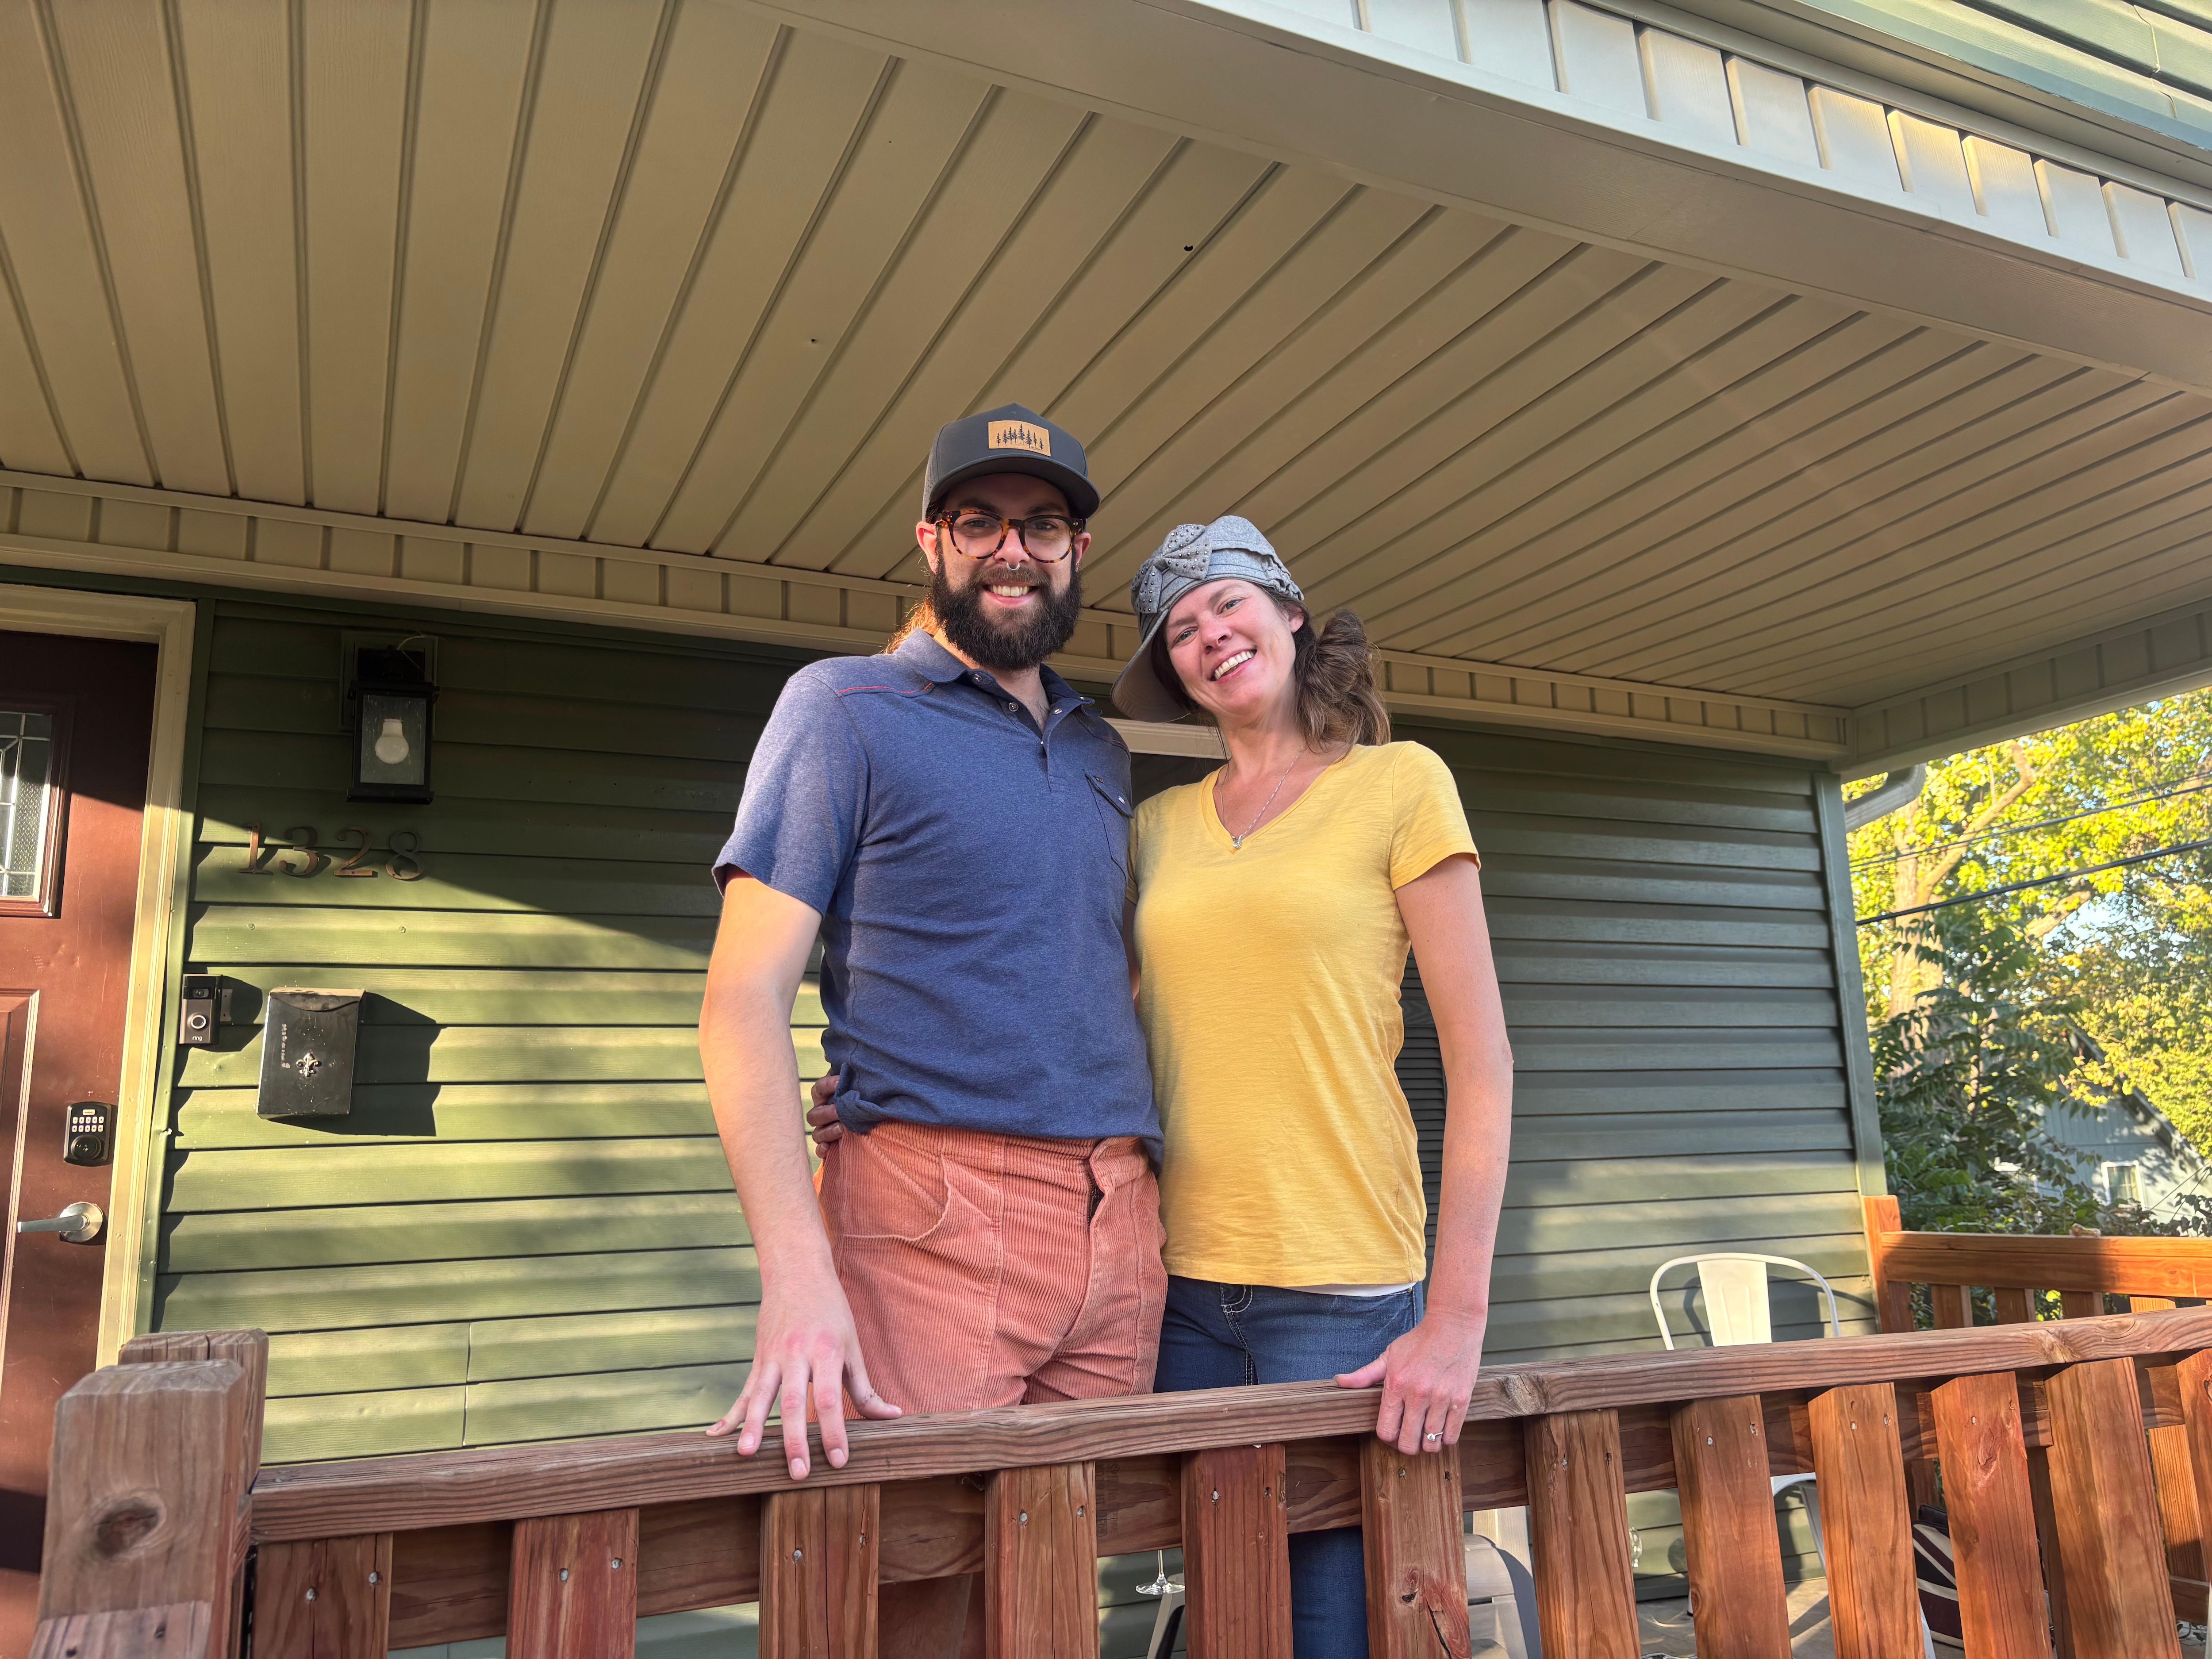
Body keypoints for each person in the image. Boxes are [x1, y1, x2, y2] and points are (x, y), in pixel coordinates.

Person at [699, 404, 1164, 1658]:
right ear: (930, 539)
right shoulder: (841, 710)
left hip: (1119, 1220)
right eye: (981, 522)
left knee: (1055, 1603)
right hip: (932, 1220)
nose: (1014, 550)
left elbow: (1089, 968)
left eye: (1046, 525)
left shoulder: (1102, 751)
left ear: (1075, 553)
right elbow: (741, 1002)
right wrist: (800, 1281)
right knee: (898, 1603)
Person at [1112, 515, 1514, 1657]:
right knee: (1233, 1626)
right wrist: (901, 1087)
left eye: (1227, 605)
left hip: (1344, 1299)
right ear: (1178, 675)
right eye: (1180, 630)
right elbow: (1085, 1022)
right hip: (1179, 1287)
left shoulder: (1400, 785)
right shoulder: (1153, 828)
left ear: (1288, 613)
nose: (1209, 636)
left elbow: (1483, 1062)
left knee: (1336, 1634)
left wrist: (1458, 1316)